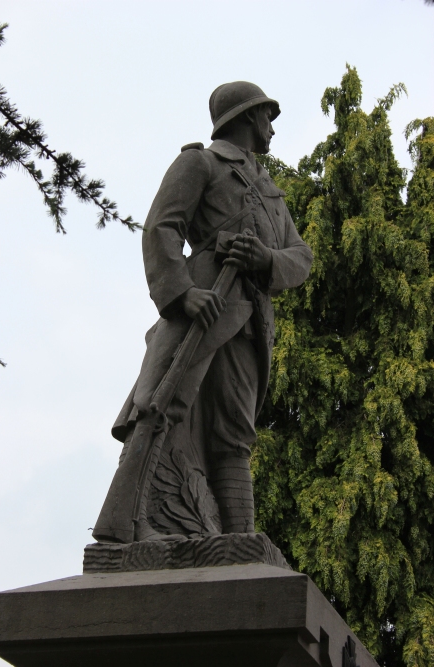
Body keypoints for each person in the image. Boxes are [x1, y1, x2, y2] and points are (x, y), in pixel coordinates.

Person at [93, 81, 313, 543]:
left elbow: (301, 256)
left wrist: (266, 260)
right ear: (249, 117)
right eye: (267, 117)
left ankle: (239, 541)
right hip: (204, 311)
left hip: (250, 321)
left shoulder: (269, 189)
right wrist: (181, 294)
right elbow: (161, 227)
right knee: (162, 410)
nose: (272, 128)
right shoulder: (200, 163)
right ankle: (128, 523)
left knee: (235, 433)